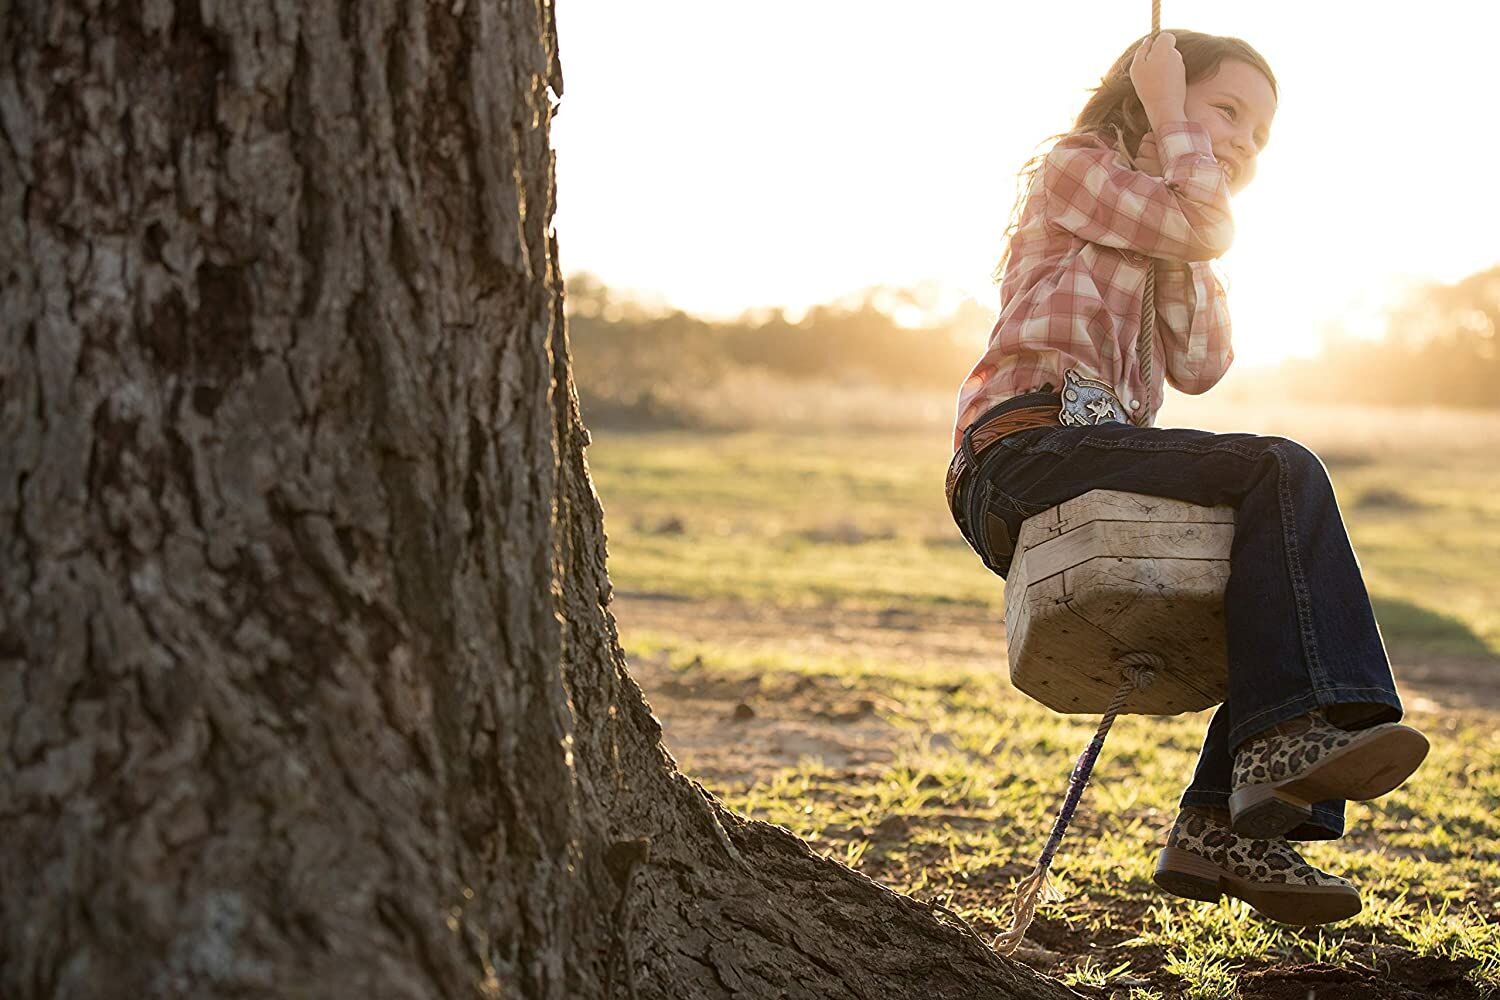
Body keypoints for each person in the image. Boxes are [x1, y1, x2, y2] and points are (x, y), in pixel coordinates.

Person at [945, 30, 1429, 925]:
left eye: (1260, 134)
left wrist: (1187, 200)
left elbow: (1203, 362)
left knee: (1272, 560)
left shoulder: (1170, 219)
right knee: (1281, 468)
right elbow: (1203, 224)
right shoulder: (1077, 167)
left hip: (1091, 460)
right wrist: (1171, 117)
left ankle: (1218, 825)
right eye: (1227, 111)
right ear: (1154, 92)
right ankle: (1289, 744)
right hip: (1021, 451)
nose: (1243, 141)